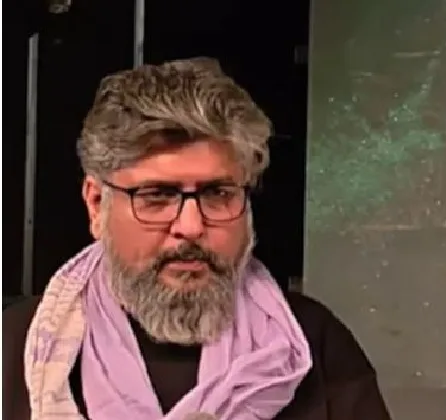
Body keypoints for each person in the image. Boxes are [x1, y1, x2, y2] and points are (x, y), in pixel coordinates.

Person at [3, 57, 391, 420]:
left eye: (217, 194)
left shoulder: (314, 347)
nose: (190, 226)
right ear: (95, 204)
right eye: (157, 196)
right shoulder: (14, 348)